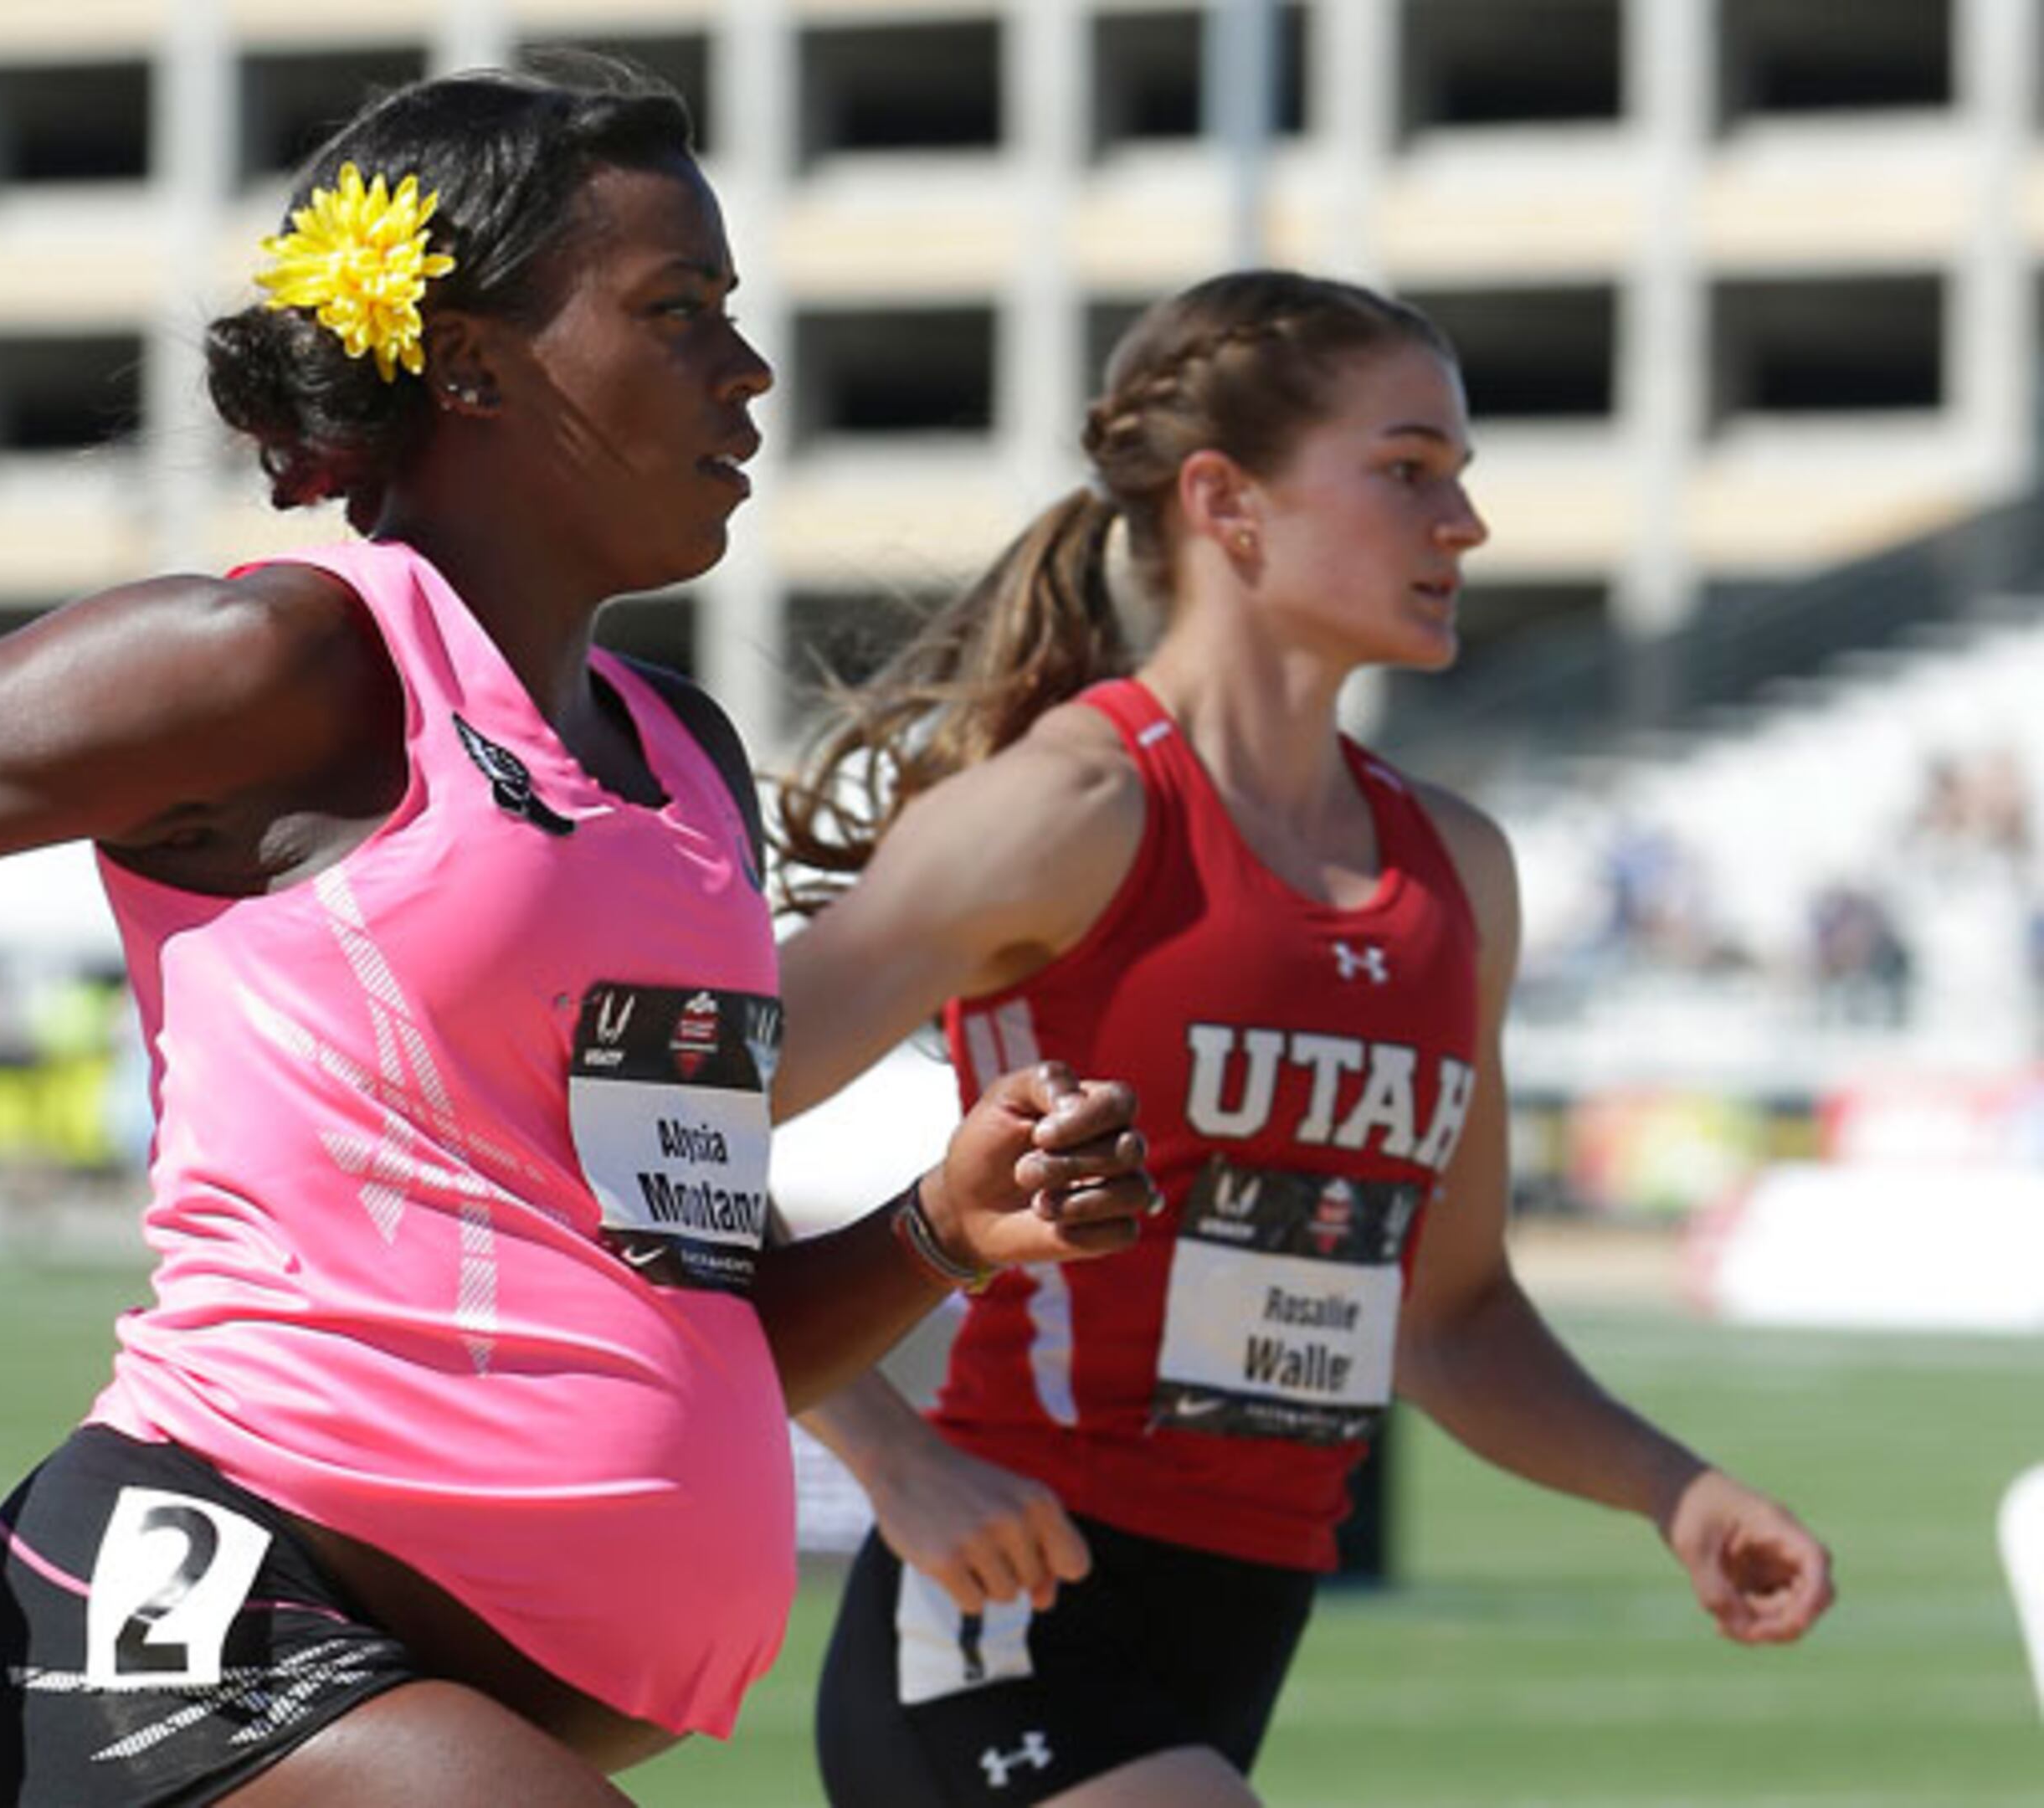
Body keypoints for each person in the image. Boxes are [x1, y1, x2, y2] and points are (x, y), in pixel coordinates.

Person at [0, 60, 1157, 1808]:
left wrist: (941, 1231)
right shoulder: (293, 663)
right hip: (200, 1625)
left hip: (437, 1682)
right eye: (677, 311)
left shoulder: (687, 762)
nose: (747, 369)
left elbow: (669, 1308)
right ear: (475, 364)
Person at [769, 270, 1836, 1807]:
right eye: (1410, 471)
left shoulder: (1457, 869)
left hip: (1239, 1636)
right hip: (1007, 1616)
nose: (1462, 523)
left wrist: (1674, 1489)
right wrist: (892, 1456)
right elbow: (653, 1129)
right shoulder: (1070, 812)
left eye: (1460, 478)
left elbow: (1453, 1319)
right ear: (1229, 502)